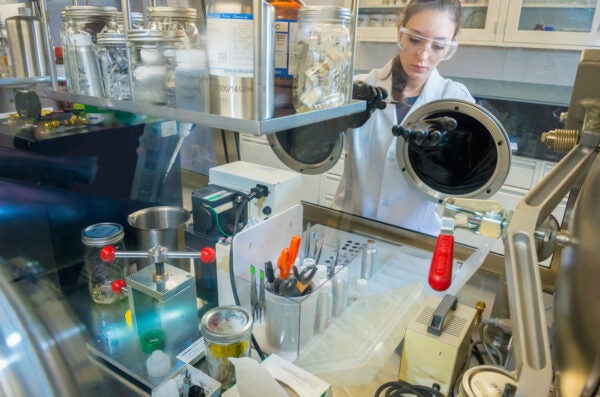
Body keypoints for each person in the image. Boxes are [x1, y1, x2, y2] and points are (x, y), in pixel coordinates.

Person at [333, 0, 474, 235]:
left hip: (415, 236)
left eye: (438, 46)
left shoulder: (455, 101)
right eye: (415, 39)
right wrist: (335, 117)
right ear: (400, 31)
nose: (423, 55)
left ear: (449, 48)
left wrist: (444, 158)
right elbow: (314, 151)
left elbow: (467, 178)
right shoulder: (361, 87)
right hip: (350, 227)